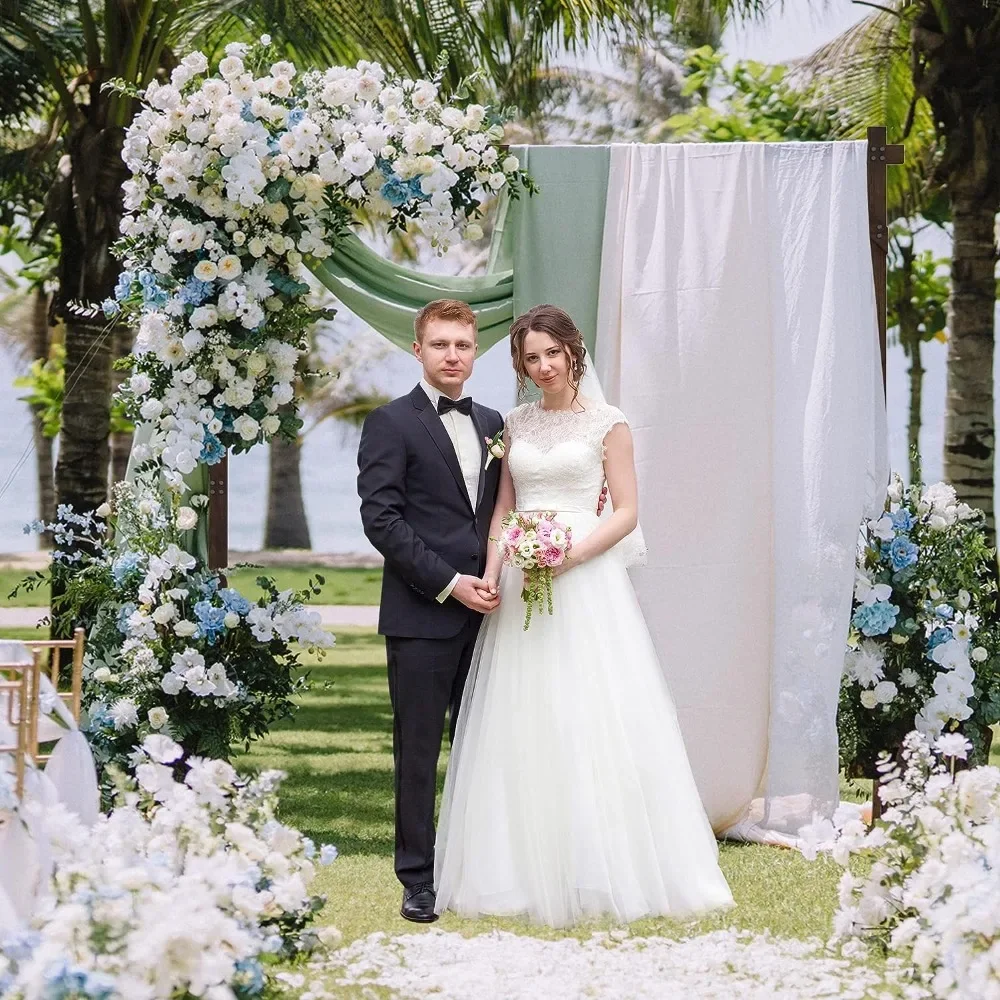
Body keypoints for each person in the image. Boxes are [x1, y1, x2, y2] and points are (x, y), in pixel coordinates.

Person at [434, 304, 734, 927]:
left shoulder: (609, 423)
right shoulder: (514, 424)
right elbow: (502, 513)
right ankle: (513, 870)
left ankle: (605, 866)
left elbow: (626, 511)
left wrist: (569, 556)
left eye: (551, 354)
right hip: (523, 579)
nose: (542, 367)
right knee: (523, 714)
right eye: (530, 358)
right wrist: (493, 576)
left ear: (574, 353)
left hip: (586, 575)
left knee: (594, 710)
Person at [357, 299, 504, 923]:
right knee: (417, 755)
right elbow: (381, 520)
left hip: (494, 618)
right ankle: (417, 879)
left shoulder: (496, 423)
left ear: (475, 352)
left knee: (488, 747)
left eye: (463, 346)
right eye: (440, 344)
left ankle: (484, 869)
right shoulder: (390, 424)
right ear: (417, 350)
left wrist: (494, 580)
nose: (452, 356)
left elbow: (499, 516)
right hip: (422, 616)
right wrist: (449, 583)